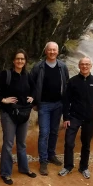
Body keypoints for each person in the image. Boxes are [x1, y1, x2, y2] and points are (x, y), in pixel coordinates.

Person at [0, 49, 36, 185]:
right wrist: (3, 100)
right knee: (8, 144)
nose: (20, 61)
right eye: (17, 59)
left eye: (22, 59)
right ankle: (6, 173)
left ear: (25, 61)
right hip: (9, 114)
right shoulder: (6, 75)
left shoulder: (27, 75)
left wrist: (33, 97)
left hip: (24, 114)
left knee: (21, 143)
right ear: (13, 61)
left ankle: (24, 168)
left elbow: (34, 88)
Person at [29, 42, 70, 176]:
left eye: (54, 50)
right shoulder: (38, 67)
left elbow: (67, 85)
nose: (52, 52)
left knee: (54, 132)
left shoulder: (62, 67)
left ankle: (51, 155)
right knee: (44, 133)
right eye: (50, 50)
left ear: (57, 52)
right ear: (46, 51)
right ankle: (43, 161)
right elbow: (31, 84)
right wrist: (34, 102)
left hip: (58, 104)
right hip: (44, 105)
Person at [59, 57, 93, 179]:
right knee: (69, 142)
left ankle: (83, 167)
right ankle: (68, 166)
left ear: (91, 66)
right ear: (79, 66)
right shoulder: (72, 81)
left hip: (89, 118)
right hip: (74, 117)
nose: (84, 66)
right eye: (82, 64)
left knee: (86, 144)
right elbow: (66, 101)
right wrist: (66, 117)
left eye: (87, 64)